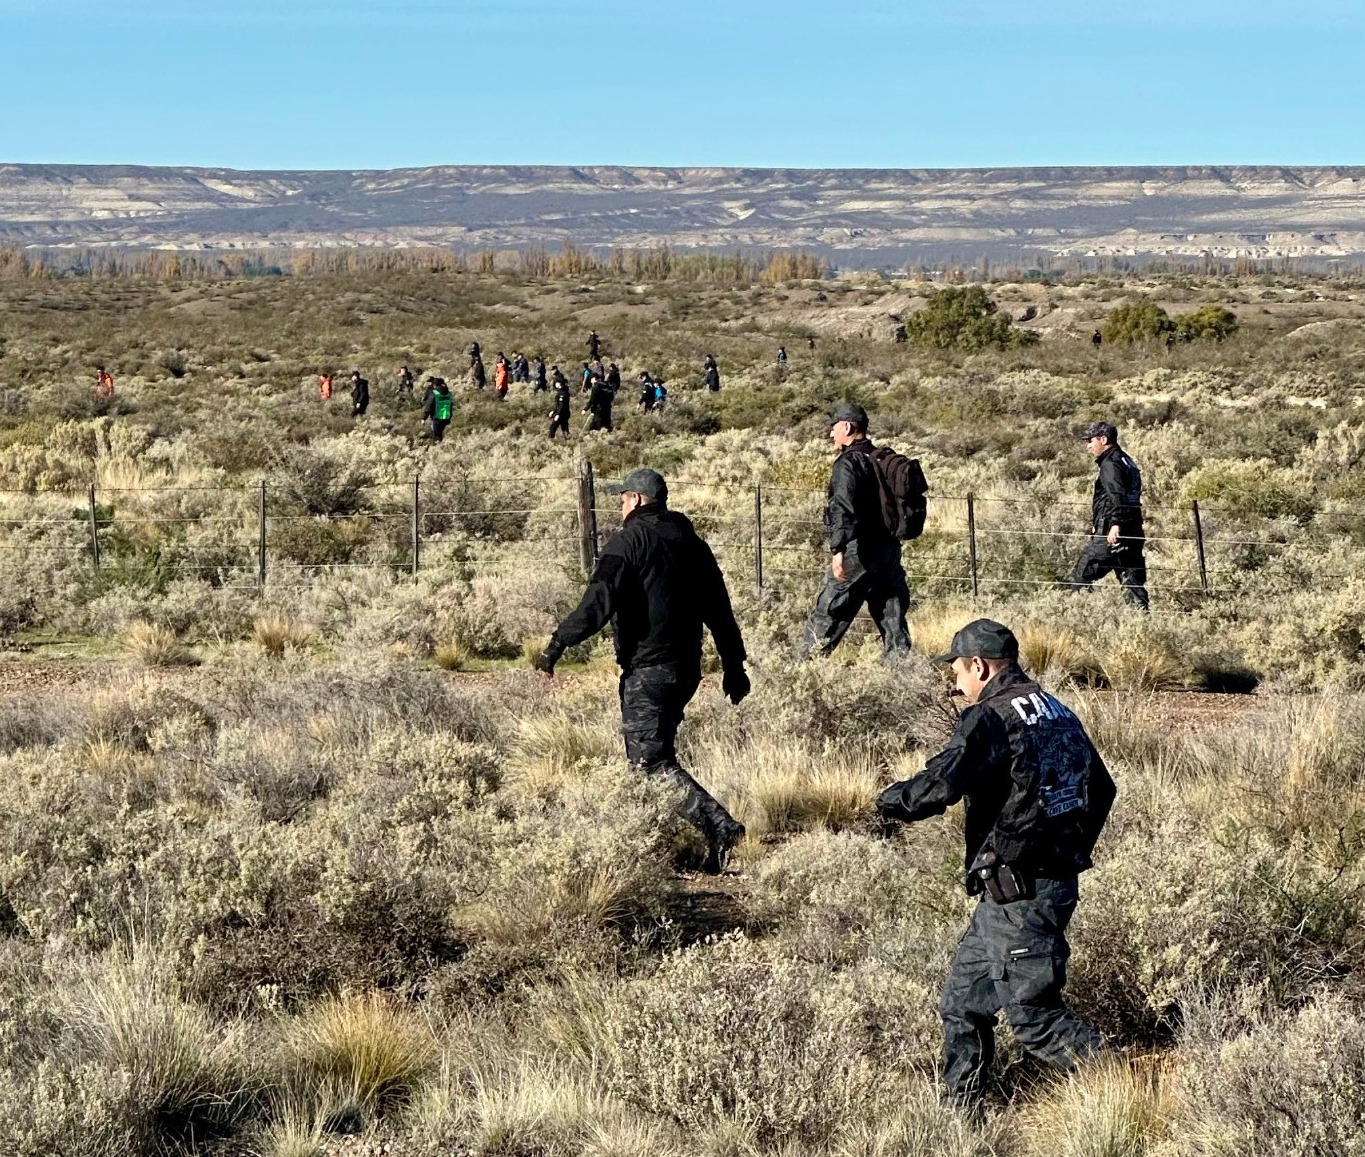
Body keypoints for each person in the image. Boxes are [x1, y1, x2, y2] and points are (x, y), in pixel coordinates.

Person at [877, 619, 1114, 1106]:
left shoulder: (990, 715)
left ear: (979, 666)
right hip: (1016, 892)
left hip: (1023, 895)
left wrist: (889, 800)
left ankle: (1125, 1086)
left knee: (1034, 1019)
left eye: (958, 670)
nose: (956, 680)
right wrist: (1067, 848)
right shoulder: (1056, 709)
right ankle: (960, 1117)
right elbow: (1101, 788)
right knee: (962, 1004)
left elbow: (939, 785)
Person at [534, 468, 750, 872]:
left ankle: (721, 827)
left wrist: (557, 644)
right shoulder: (693, 543)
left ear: (635, 499)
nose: (620, 506)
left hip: (649, 669)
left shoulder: (628, 540)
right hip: (686, 669)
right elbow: (719, 609)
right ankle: (669, 844)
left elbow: (598, 601)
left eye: (622, 498)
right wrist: (733, 666)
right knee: (658, 755)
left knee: (650, 764)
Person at [802, 403, 911, 660]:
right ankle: (904, 672)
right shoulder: (880, 459)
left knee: (829, 611)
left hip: (859, 550)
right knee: (891, 614)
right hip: (889, 550)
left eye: (834, 428)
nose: (831, 434)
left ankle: (806, 666)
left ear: (848, 427)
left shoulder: (848, 463)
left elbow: (843, 507)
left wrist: (838, 549)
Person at [1071, 422, 1149, 610]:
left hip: (1112, 531)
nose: (1088, 446)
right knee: (1132, 581)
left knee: (1083, 573)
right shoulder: (1126, 460)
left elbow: (1116, 495)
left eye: (1091, 441)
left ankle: (1080, 614)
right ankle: (1141, 619)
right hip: (1133, 529)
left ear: (1103, 440)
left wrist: (1116, 525)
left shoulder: (1110, 463)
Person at [422, 376, 453, 442]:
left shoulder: (434, 394)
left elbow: (428, 407)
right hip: (446, 417)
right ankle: (442, 445)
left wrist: (423, 418)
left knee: (436, 437)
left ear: (435, 385)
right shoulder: (448, 393)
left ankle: (438, 446)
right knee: (440, 434)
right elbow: (450, 405)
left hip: (436, 418)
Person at [548, 372, 573, 439]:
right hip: (563, 413)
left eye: (556, 383)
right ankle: (569, 440)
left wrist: (558, 414)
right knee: (564, 429)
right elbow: (558, 405)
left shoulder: (563, 393)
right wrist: (554, 411)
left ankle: (550, 441)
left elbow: (562, 405)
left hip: (562, 414)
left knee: (552, 428)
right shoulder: (562, 391)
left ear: (559, 383)